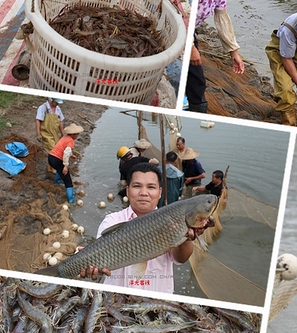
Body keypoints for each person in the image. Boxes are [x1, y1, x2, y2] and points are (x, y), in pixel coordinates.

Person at [83, 164, 194, 292]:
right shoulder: (112, 220)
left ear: (160, 192)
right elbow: (100, 261)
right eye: (137, 186)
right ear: (127, 191)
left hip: (158, 300)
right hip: (115, 299)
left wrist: (186, 238)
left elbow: (180, 259)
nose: (144, 193)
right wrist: (91, 265)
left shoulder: (172, 221)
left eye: (151, 187)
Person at [186, 0, 253, 113]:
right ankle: (197, 109)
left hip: (191, 31)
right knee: (197, 78)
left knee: (193, 75)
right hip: (184, 29)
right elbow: (183, 13)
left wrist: (234, 53)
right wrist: (191, 47)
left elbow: (222, 20)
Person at [48, 124, 83, 203]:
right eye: (77, 134)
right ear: (73, 134)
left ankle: (57, 182)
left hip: (51, 157)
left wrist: (71, 155)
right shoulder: (71, 141)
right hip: (57, 159)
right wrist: (66, 166)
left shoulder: (65, 137)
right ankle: (71, 201)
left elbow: (64, 149)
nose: (78, 135)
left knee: (60, 169)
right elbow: (66, 153)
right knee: (68, 181)